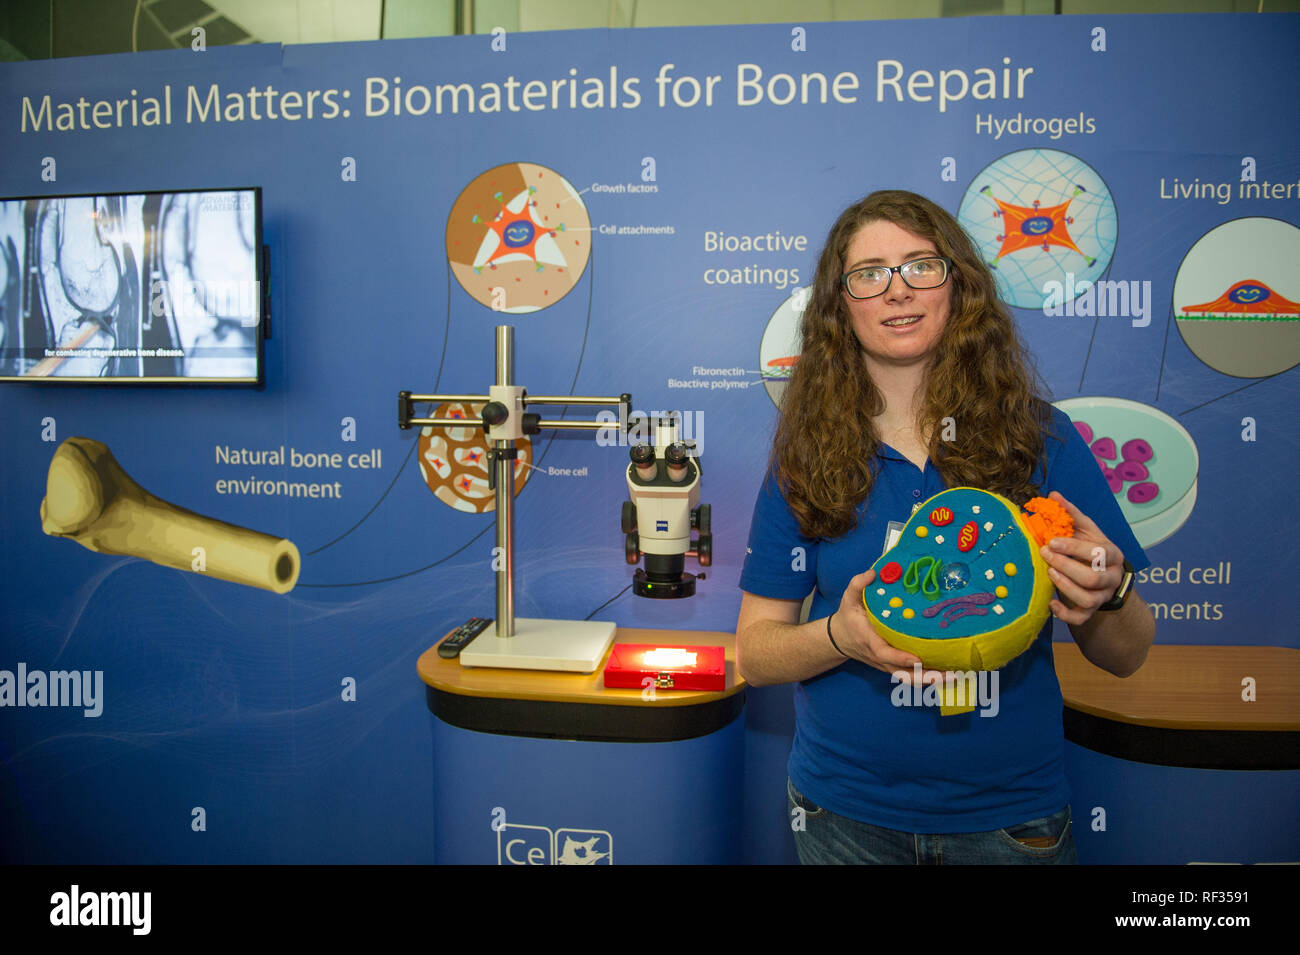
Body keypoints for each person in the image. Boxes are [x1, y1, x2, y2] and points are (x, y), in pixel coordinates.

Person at [736, 190, 1156, 865]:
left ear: (957, 285)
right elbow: (756, 654)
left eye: (920, 265)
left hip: (1010, 820)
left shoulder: (1041, 439)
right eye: (869, 273)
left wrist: (1110, 588)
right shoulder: (807, 452)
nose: (897, 290)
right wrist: (841, 633)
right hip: (842, 816)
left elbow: (1126, 654)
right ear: (841, 305)